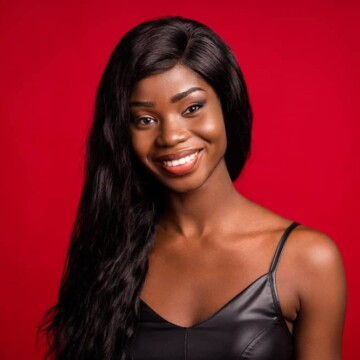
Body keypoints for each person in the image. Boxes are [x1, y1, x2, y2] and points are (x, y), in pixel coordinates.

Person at [40, 16, 347, 360]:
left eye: (192, 108)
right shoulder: (109, 252)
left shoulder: (308, 259)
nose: (170, 136)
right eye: (145, 120)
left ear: (227, 106)